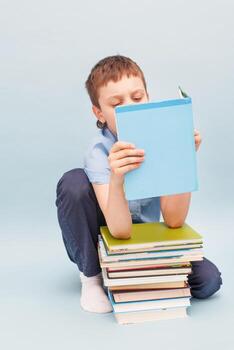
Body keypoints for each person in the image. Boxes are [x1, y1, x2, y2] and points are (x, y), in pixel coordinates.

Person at [55, 55, 222, 313]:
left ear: (147, 97)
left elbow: (174, 220)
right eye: (117, 103)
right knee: (72, 182)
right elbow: (120, 231)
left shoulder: (161, 138)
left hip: (144, 238)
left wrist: (182, 159)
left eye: (137, 97)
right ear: (99, 112)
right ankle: (92, 278)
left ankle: (133, 278)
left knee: (209, 281)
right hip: (107, 234)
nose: (130, 108)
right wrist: (117, 177)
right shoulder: (99, 151)